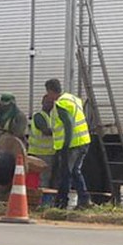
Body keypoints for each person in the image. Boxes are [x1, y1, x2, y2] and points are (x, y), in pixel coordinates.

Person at [45, 78, 92, 209]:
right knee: (74, 172)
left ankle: (63, 202)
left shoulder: (62, 104)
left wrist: (65, 146)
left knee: (66, 173)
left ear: (50, 91)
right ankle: (83, 200)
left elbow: (69, 124)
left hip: (72, 145)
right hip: (83, 141)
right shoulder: (72, 98)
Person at [28, 94, 56, 187]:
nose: (49, 104)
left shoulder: (52, 117)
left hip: (49, 152)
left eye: (51, 103)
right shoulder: (39, 116)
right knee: (42, 178)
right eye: (47, 102)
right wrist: (60, 130)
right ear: (42, 103)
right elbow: (46, 131)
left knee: (48, 177)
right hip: (39, 153)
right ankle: (41, 199)